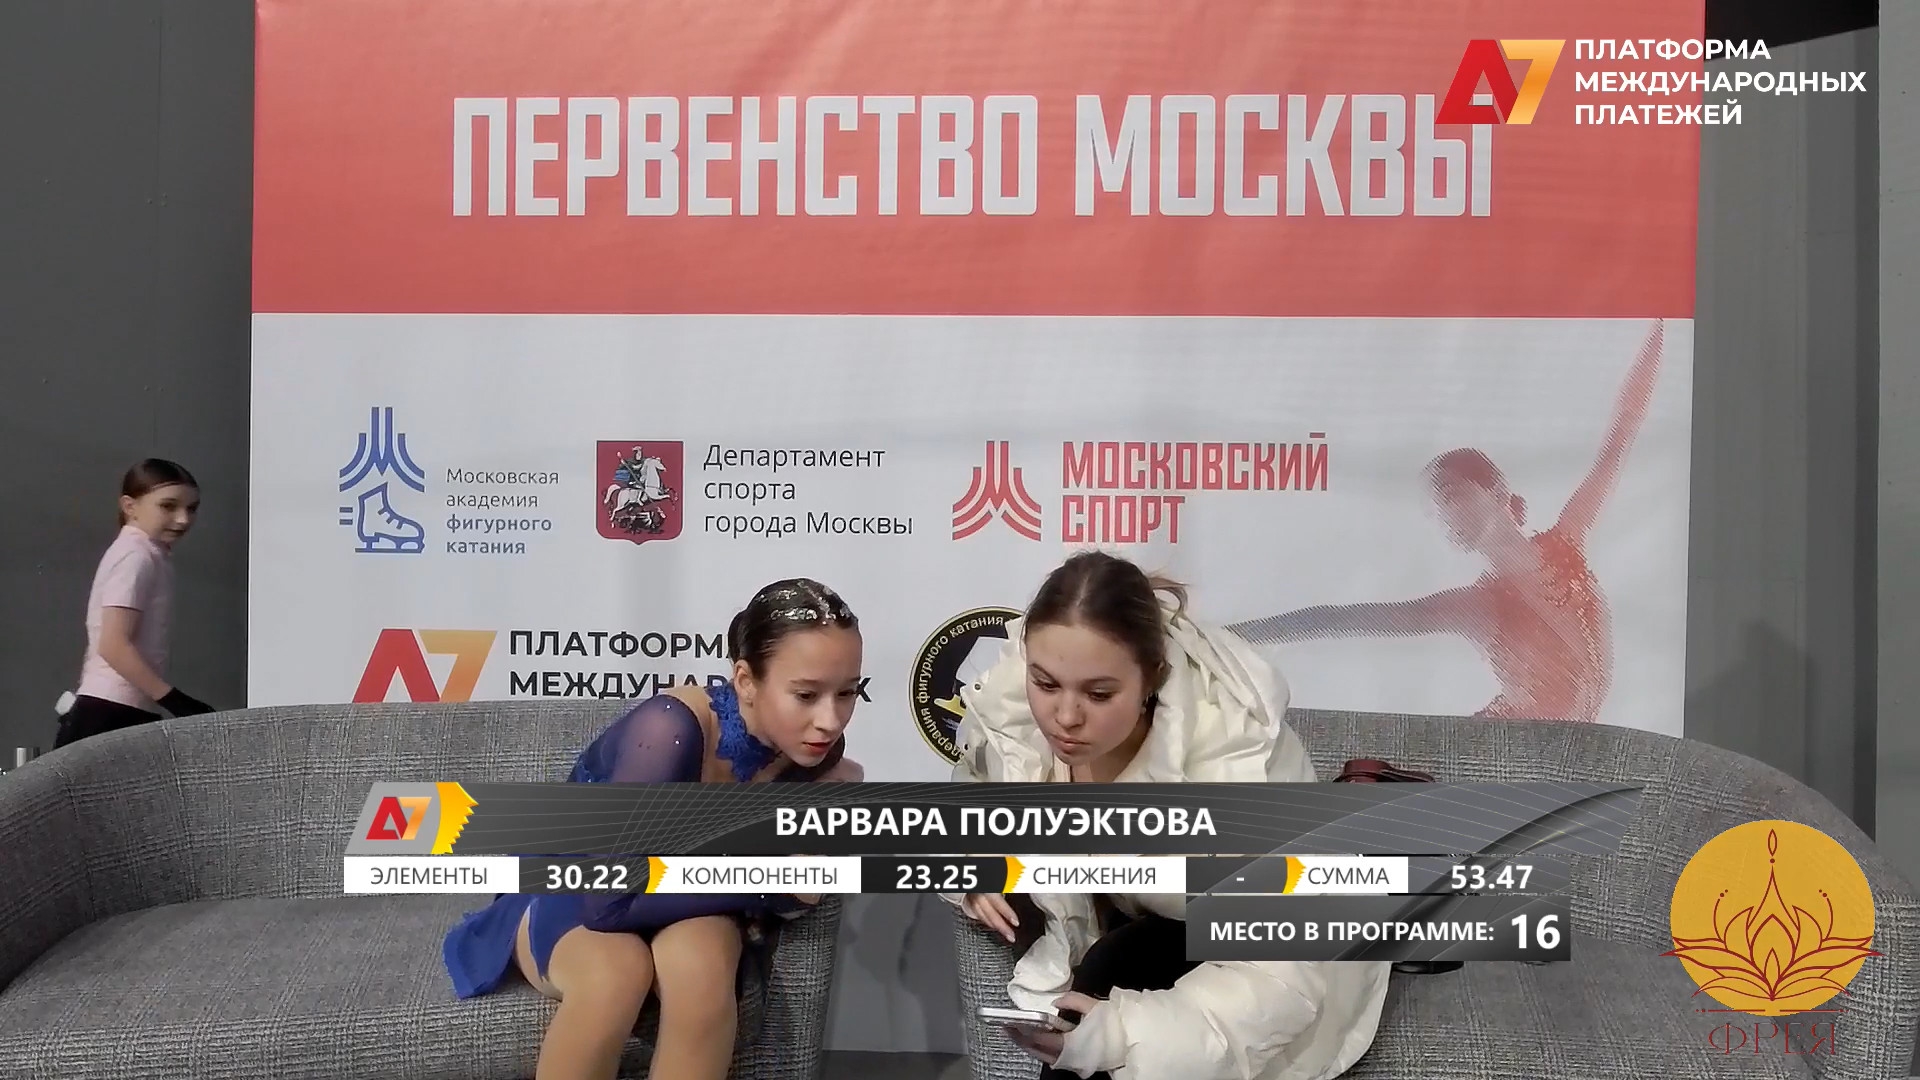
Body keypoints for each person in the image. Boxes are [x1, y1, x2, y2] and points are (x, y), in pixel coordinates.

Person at [948, 551, 1389, 1080]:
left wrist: (1119, 1035)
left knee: (1117, 970)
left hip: (1285, 958)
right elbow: (971, 792)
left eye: (1099, 694)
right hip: (1143, 921)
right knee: (1106, 969)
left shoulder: (1237, 774)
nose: (1064, 717)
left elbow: (1281, 980)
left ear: (1152, 678)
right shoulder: (1013, 706)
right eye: (1044, 684)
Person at [442, 578, 866, 1080]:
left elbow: (798, 891)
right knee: (614, 975)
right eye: (806, 694)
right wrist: (764, 881)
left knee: (702, 969)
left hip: (680, 892)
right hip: (577, 882)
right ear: (746, 681)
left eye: (847, 692)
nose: (830, 720)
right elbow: (608, 903)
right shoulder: (669, 728)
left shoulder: (815, 754)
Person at [1229, 319, 1666, 724]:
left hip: (1559, 748)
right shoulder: (1476, 607)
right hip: (1501, 747)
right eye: (1433, 511)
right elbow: (1340, 618)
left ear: (1496, 492)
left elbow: (1622, 431)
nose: (1442, 515)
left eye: (1450, 494)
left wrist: (1661, 320)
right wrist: (1229, 638)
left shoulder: (1567, 541)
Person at [55, 459, 216, 749]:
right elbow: (113, 644)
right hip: (109, 710)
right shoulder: (135, 555)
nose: (183, 519)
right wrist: (175, 700)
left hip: (123, 708)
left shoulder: (149, 554)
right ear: (130, 506)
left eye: (192, 508)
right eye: (168, 506)